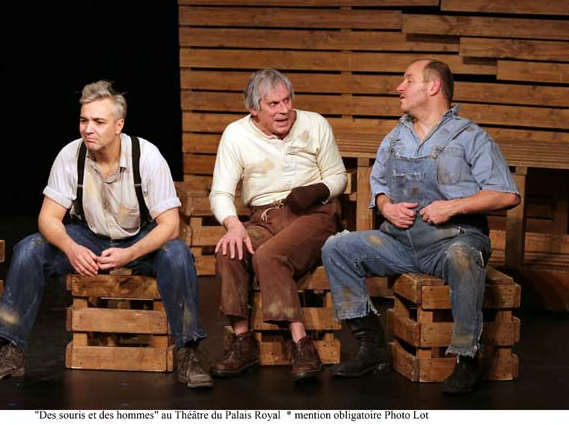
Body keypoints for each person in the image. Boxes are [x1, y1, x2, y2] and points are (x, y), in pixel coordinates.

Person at [0, 80, 212, 389]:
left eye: (98, 122)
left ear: (118, 125)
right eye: (84, 120)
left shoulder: (147, 156)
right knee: (30, 249)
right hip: (89, 237)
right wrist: (71, 248)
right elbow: (48, 218)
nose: (88, 129)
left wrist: (130, 253)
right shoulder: (70, 156)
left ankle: (189, 354)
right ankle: (10, 351)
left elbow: (170, 225)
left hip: (138, 239)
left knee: (177, 254)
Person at [321, 59, 520, 394]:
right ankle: (371, 347)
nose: (399, 87)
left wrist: (452, 206)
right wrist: (387, 207)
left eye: (408, 80)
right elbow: (379, 185)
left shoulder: (470, 137)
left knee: (462, 257)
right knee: (337, 247)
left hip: (452, 241)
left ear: (433, 86)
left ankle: (467, 357)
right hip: (400, 242)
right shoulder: (395, 138)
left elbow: (507, 195)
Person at [208, 68, 347, 382]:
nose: (284, 110)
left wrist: (317, 190)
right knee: (230, 252)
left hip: (312, 216)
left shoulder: (314, 124)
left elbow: (338, 176)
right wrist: (233, 225)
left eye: (287, 100)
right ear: (253, 109)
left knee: (269, 256)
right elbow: (221, 192)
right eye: (273, 104)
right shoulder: (236, 134)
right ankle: (243, 343)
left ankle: (302, 344)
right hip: (264, 218)